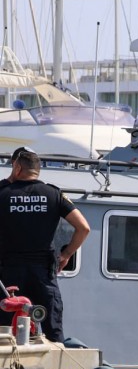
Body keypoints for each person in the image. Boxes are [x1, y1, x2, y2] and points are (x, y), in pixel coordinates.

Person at [0, 148, 90, 345]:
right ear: (37, 170)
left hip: (9, 277)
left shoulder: (2, 193)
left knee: (5, 333)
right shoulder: (53, 194)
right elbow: (83, 228)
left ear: (17, 167)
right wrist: (66, 254)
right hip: (44, 276)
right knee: (52, 333)